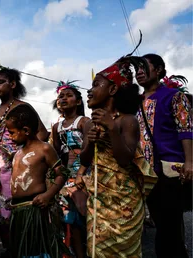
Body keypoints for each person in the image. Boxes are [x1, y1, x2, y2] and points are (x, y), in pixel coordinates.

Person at [80, 54, 156, 257]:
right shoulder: (89, 123)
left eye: (96, 84)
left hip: (124, 200)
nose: (90, 90)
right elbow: (84, 160)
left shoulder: (127, 121)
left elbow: (125, 159)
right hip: (99, 199)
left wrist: (112, 129)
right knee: (97, 248)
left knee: (125, 251)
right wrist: (91, 142)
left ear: (113, 89)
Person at [0, 67, 48, 258]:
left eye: (0, 82)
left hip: (17, 169)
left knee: (13, 214)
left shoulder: (23, 108)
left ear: (13, 84)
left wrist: (23, 153)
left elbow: (42, 134)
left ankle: (16, 251)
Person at [136, 54, 192, 258]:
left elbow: (185, 129)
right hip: (146, 174)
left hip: (171, 171)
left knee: (170, 229)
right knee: (162, 225)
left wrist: (190, 162)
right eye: (137, 69)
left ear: (159, 70)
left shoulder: (174, 96)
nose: (139, 72)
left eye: (144, 67)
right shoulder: (137, 102)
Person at [5, 104, 68, 258]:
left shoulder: (44, 149)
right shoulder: (17, 153)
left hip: (35, 209)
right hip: (18, 210)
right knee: (21, 251)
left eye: (12, 133)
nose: (10, 137)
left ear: (26, 131)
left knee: (37, 251)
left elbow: (62, 174)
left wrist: (48, 195)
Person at [51, 81, 89, 258]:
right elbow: (57, 154)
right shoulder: (56, 127)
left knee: (87, 215)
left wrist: (82, 172)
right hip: (68, 177)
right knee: (70, 220)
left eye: (68, 95)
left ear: (79, 102)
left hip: (86, 173)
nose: (63, 99)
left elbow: (91, 152)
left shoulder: (84, 122)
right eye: (61, 96)